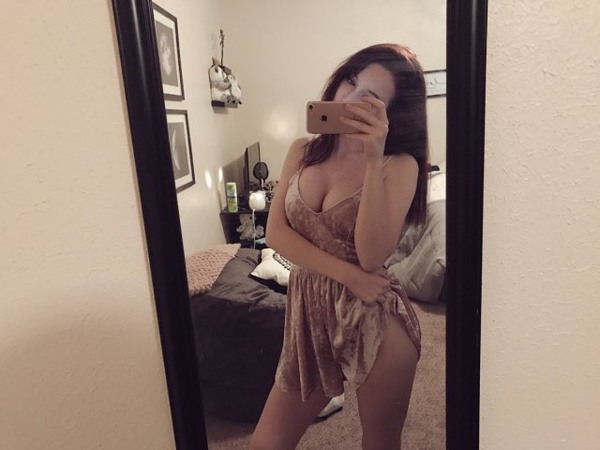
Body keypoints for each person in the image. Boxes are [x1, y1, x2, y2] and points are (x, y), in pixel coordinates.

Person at [249, 43, 429, 450]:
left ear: (390, 115)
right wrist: (347, 275)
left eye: (370, 98)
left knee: (380, 443)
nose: (349, 98)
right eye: (350, 80)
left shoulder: (399, 165)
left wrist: (372, 158)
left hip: (374, 319)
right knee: (266, 444)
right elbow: (275, 233)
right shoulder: (303, 150)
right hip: (309, 314)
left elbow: (371, 257)